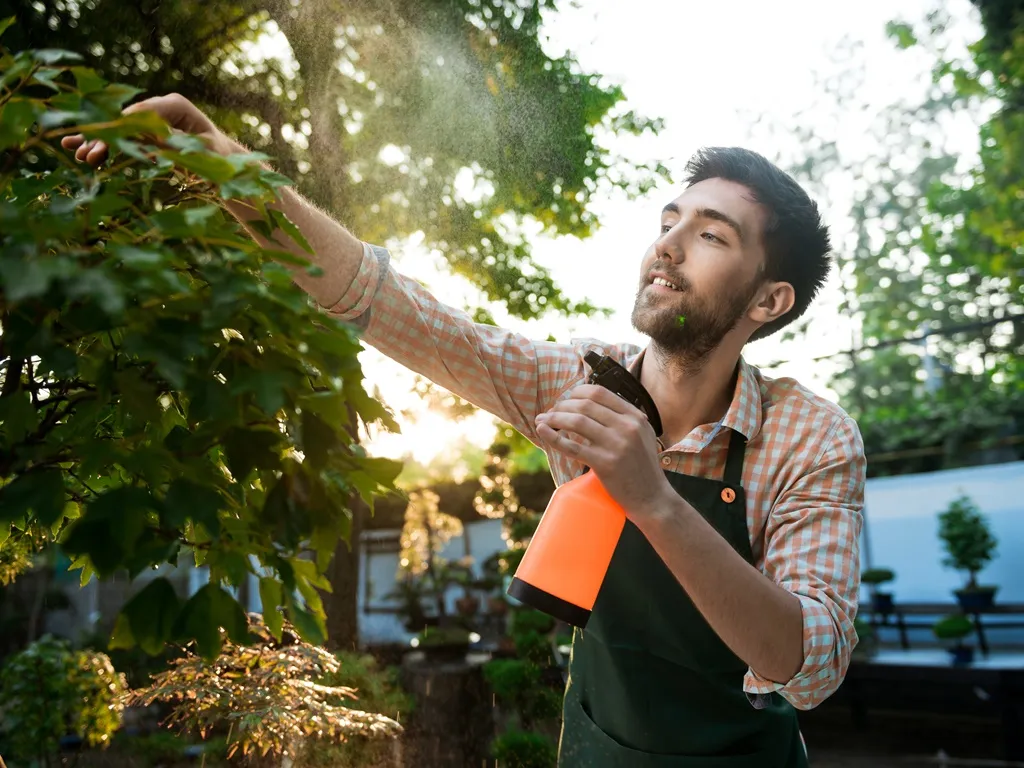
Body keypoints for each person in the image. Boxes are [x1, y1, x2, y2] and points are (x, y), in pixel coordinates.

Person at [64, 94, 865, 767]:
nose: (668, 245)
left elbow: (810, 663)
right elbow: (378, 298)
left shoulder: (812, 439)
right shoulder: (577, 382)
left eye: (711, 235)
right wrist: (223, 162)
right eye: (669, 220)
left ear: (769, 301)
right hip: (598, 750)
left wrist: (653, 500)